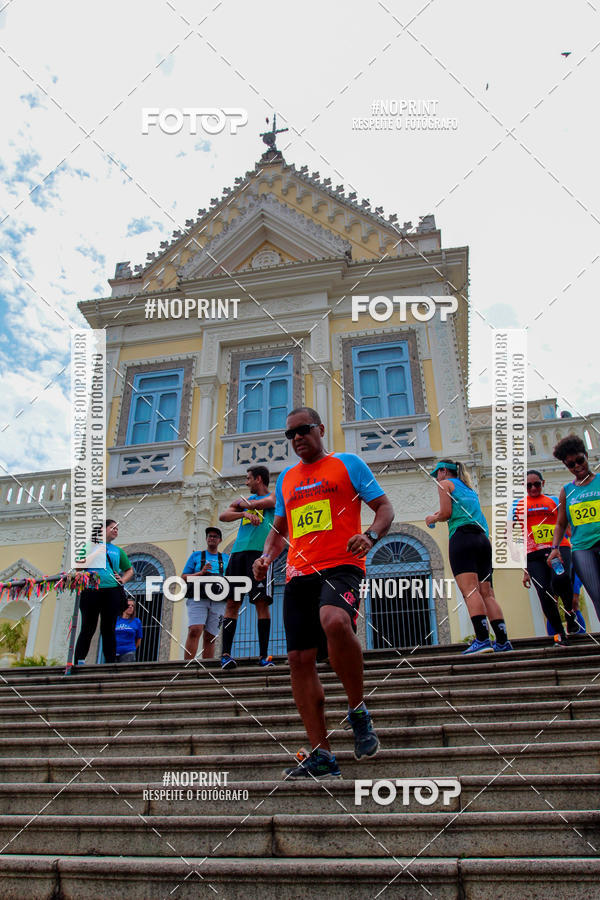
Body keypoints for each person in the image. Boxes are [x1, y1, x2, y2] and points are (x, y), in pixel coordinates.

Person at [253, 407, 394, 779]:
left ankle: (357, 710)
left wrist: (371, 536)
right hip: (299, 574)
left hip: (343, 564)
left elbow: (384, 507)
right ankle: (321, 753)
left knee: (334, 620)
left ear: (321, 428)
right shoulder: (286, 479)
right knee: (299, 659)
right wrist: (267, 556)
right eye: (291, 434)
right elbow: (281, 530)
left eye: (304, 429)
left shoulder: (348, 464)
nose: (297, 437)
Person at [425, 460, 513, 654]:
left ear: (444, 471)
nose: (436, 478)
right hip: (482, 540)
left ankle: (482, 639)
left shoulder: (445, 484)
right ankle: (502, 640)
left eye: (437, 474)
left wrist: (433, 518)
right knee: (487, 593)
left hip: (462, 538)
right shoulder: (469, 489)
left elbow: (447, 513)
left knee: (470, 591)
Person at [219, 465, 276, 669]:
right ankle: (225, 655)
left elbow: (269, 502)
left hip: (260, 556)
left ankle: (263, 656)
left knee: (261, 604)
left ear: (259, 479)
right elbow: (223, 516)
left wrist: (245, 504)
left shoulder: (272, 497)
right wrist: (243, 513)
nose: (246, 482)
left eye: (248, 478)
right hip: (237, 555)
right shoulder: (244, 504)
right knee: (232, 604)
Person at [516, 469, 577, 646]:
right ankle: (559, 633)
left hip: (557, 550)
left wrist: (578, 542)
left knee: (561, 579)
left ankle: (569, 614)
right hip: (533, 556)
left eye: (536, 484)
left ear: (543, 483)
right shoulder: (520, 506)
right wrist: (524, 569)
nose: (533, 488)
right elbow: (519, 536)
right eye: (528, 485)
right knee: (544, 593)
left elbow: (564, 525)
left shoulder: (553, 501)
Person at [548, 434, 600, 622]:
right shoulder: (567, 491)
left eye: (580, 460)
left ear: (586, 455)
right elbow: (561, 523)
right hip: (582, 549)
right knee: (597, 596)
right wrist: (555, 549)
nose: (577, 467)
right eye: (571, 464)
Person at [72, 518, 134, 669]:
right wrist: (96, 553)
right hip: (91, 591)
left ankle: (110, 662)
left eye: (117, 529)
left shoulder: (117, 550)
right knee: (88, 627)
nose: (115, 530)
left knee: (109, 628)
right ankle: (79, 661)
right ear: (102, 530)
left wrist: (123, 580)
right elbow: (78, 568)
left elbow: (129, 570)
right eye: (112, 527)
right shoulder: (89, 546)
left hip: (112, 591)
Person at [182, 527, 230, 661]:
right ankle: (188, 665)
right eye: (209, 536)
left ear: (220, 540)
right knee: (195, 629)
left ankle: (207, 666)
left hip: (218, 598)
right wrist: (201, 573)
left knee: (210, 636)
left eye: (215, 536)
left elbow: (232, 578)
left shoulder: (226, 558)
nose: (211, 538)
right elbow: (184, 577)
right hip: (198, 596)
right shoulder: (196, 556)